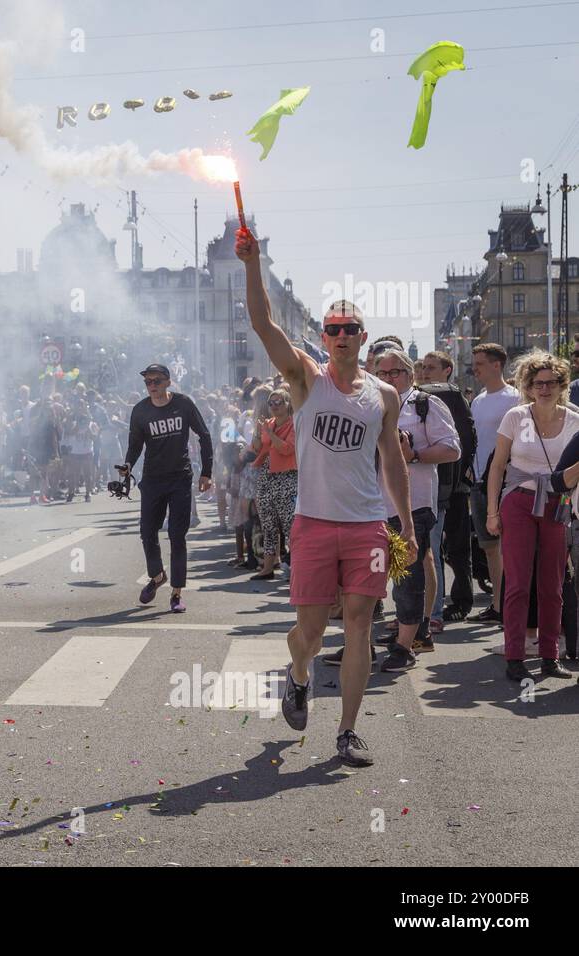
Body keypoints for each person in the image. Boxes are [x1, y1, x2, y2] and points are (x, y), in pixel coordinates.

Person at [238, 223, 416, 768]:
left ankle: (346, 731)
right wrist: (251, 264)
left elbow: (392, 458)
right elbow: (264, 324)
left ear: (364, 337)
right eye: (334, 327)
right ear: (325, 335)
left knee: (360, 622)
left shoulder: (383, 394)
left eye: (351, 327)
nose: (341, 335)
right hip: (312, 523)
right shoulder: (304, 379)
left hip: (365, 526)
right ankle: (297, 677)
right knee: (309, 633)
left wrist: (403, 522)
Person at [485, 351, 579, 683]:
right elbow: (497, 466)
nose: (544, 388)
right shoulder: (515, 417)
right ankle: (515, 655)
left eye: (551, 382)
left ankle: (550, 655)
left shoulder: (574, 420)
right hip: (519, 502)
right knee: (518, 585)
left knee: (553, 585)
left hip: (557, 503)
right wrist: (491, 512)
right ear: (528, 386)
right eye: (538, 383)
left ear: (562, 385)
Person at [366, 350, 460, 672]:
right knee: (370, 575)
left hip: (414, 503)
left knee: (407, 575)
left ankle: (406, 646)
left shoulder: (425, 404)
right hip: (370, 503)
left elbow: (452, 448)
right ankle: (367, 643)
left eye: (395, 372)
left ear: (410, 374)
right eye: (382, 372)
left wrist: (415, 454)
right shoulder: (369, 405)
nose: (389, 378)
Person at [118, 363, 214, 613]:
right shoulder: (140, 411)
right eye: (148, 382)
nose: (152, 386)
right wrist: (128, 465)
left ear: (168, 382)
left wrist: (206, 472)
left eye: (157, 381)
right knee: (147, 533)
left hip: (180, 478)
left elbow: (204, 435)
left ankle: (176, 593)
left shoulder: (183, 404)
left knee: (176, 536)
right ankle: (158, 575)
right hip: (152, 479)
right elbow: (135, 444)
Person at [419, 351, 476, 626]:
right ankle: (429, 606)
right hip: (432, 484)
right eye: (422, 367)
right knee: (432, 549)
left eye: (431, 367)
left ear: (447, 369)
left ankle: (459, 601)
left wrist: (460, 480)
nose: (425, 372)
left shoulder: (452, 397)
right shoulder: (420, 397)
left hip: (453, 486)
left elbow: (466, 441)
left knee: (456, 549)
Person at [468, 344, 518, 625]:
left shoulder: (515, 398)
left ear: (497, 365)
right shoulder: (478, 400)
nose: (475, 368)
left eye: (480, 363)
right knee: (489, 547)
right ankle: (498, 605)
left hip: (505, 481)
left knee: (508, 546)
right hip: (479, 481)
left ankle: (512, 605)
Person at [251, 387, 296, 580]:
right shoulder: (267, 423)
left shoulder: (294, 424)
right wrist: (257, 432)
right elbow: (256, 449)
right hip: (266, 477)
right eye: (272, 403)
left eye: (279, 402)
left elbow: (286, 449)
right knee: (268, 525)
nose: (275, 406)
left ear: (288, 404)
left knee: (290, 526)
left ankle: (296, 569)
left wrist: (270, 432)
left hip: (287, 478)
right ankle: (268, 567)